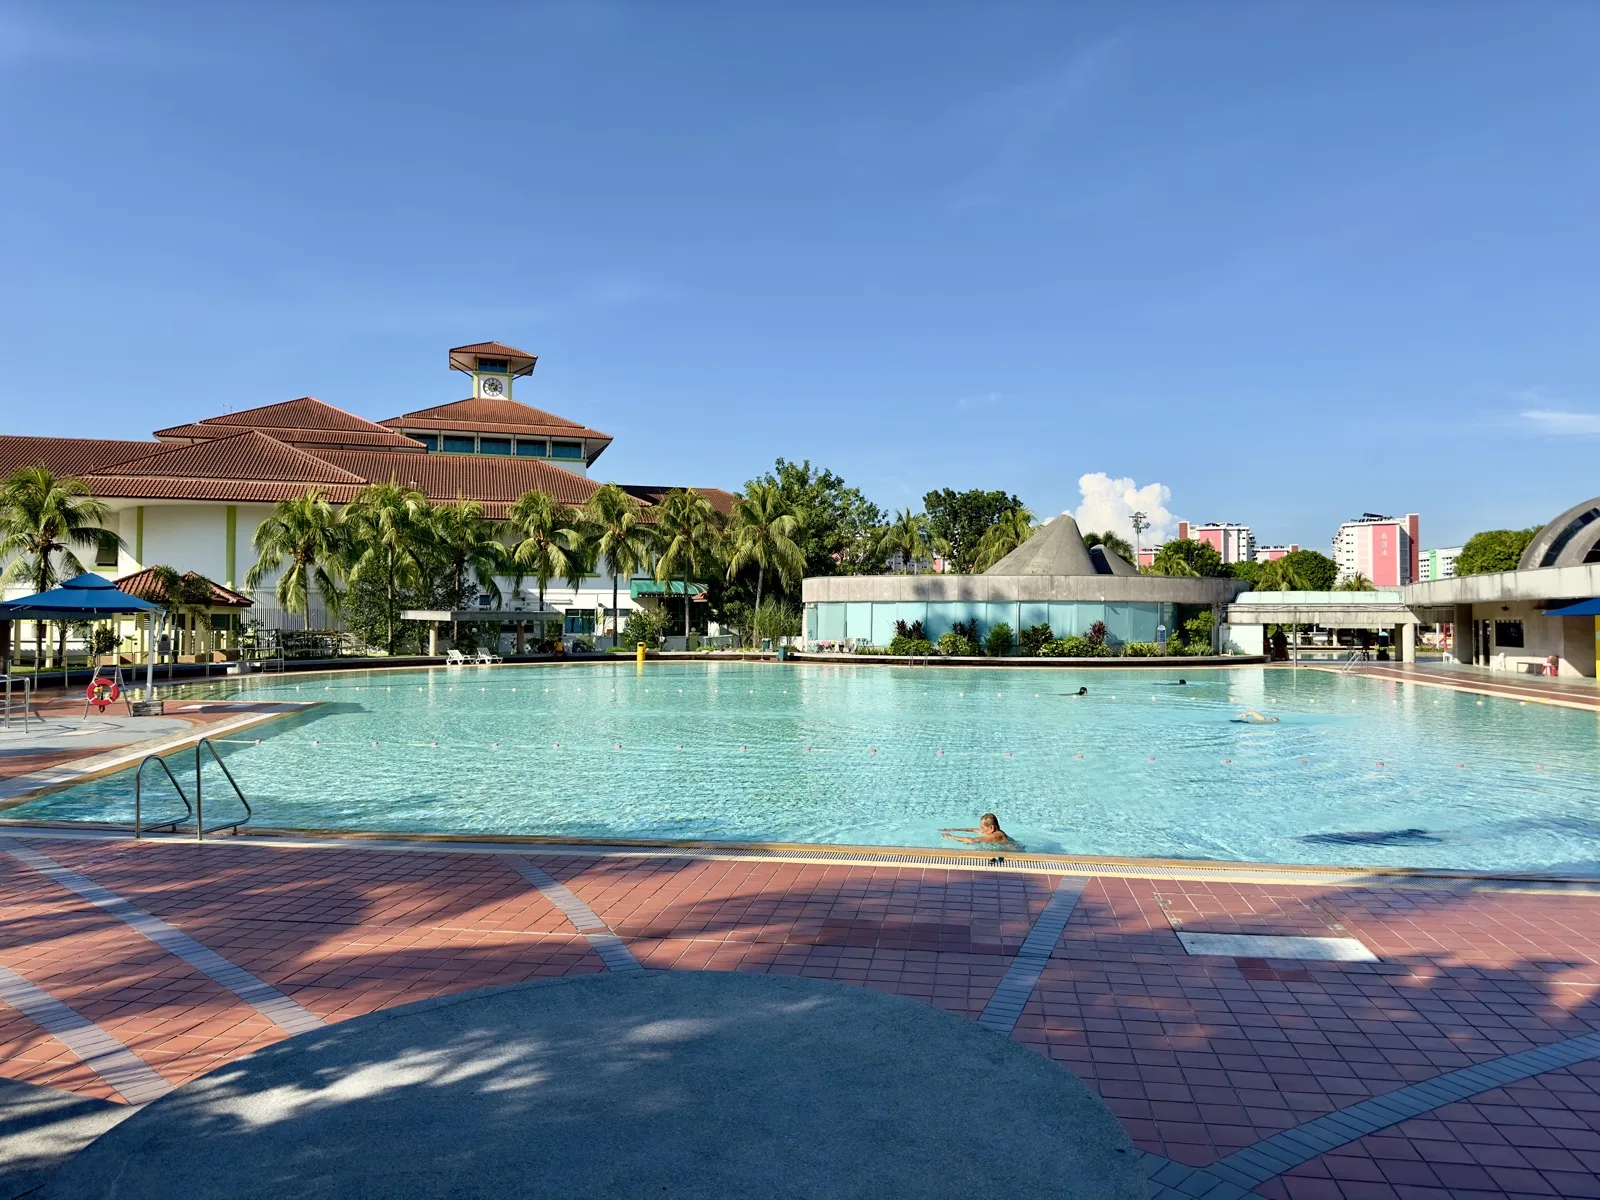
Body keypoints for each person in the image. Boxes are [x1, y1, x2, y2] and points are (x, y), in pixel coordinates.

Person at [941, 813, 1013, 845]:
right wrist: (955, 829)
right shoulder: (996, 831)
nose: (981, 829)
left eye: (982, 827)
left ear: (991, 827)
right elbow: (974, 829)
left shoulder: (994, 836)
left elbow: (972, 840)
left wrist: (951, 836)